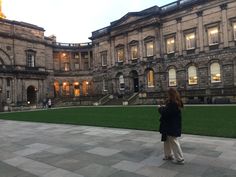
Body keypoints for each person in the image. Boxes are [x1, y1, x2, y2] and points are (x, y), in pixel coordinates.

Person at [158, 88, 184, 165]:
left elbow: (166, 112)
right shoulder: (173, 102)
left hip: (171, 125)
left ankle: (180, 158)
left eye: (168, 94)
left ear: (170, 94)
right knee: (166, 140)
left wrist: (160, 108)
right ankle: (168, 155)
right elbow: (167, 111)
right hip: (169, 124)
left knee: (173, 141)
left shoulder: (173, 103)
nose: (167, 95)